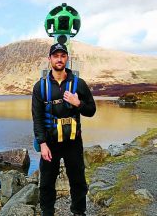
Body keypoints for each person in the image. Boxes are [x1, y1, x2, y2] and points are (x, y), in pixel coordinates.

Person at [31, 43, 96, 216]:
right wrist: (42, 143)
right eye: (56, 56)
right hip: (50, 143)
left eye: (62, 56)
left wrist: (78, 103)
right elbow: (37, 118)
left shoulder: (79, 84)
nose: (59, 59)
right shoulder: (40, 87)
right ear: (50, 59)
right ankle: (47, 212)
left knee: (78, 180)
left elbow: (91, 110)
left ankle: (78, 212)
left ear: (67, 58)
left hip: (73, 142)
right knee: (46, 182)